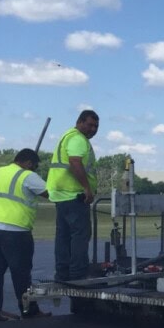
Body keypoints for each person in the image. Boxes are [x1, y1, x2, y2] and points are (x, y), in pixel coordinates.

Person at [0, 148, 50, 323]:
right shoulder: (27, 175)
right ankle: (29, 312)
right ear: (29, 163)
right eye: (34, 167)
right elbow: (50, 193)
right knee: (21, 275)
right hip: (15, 231)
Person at [47, 109, 99, 282]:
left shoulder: (67, 136)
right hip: (73, 195)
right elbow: (75, 162)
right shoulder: (77, 139)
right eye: (90, 125)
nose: (93, 129)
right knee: (80, 235)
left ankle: (62, 273)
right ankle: (77, 273)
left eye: (96, 126)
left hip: (61, 195)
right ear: (80, 122)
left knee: (63, 236)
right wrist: (87, 188)